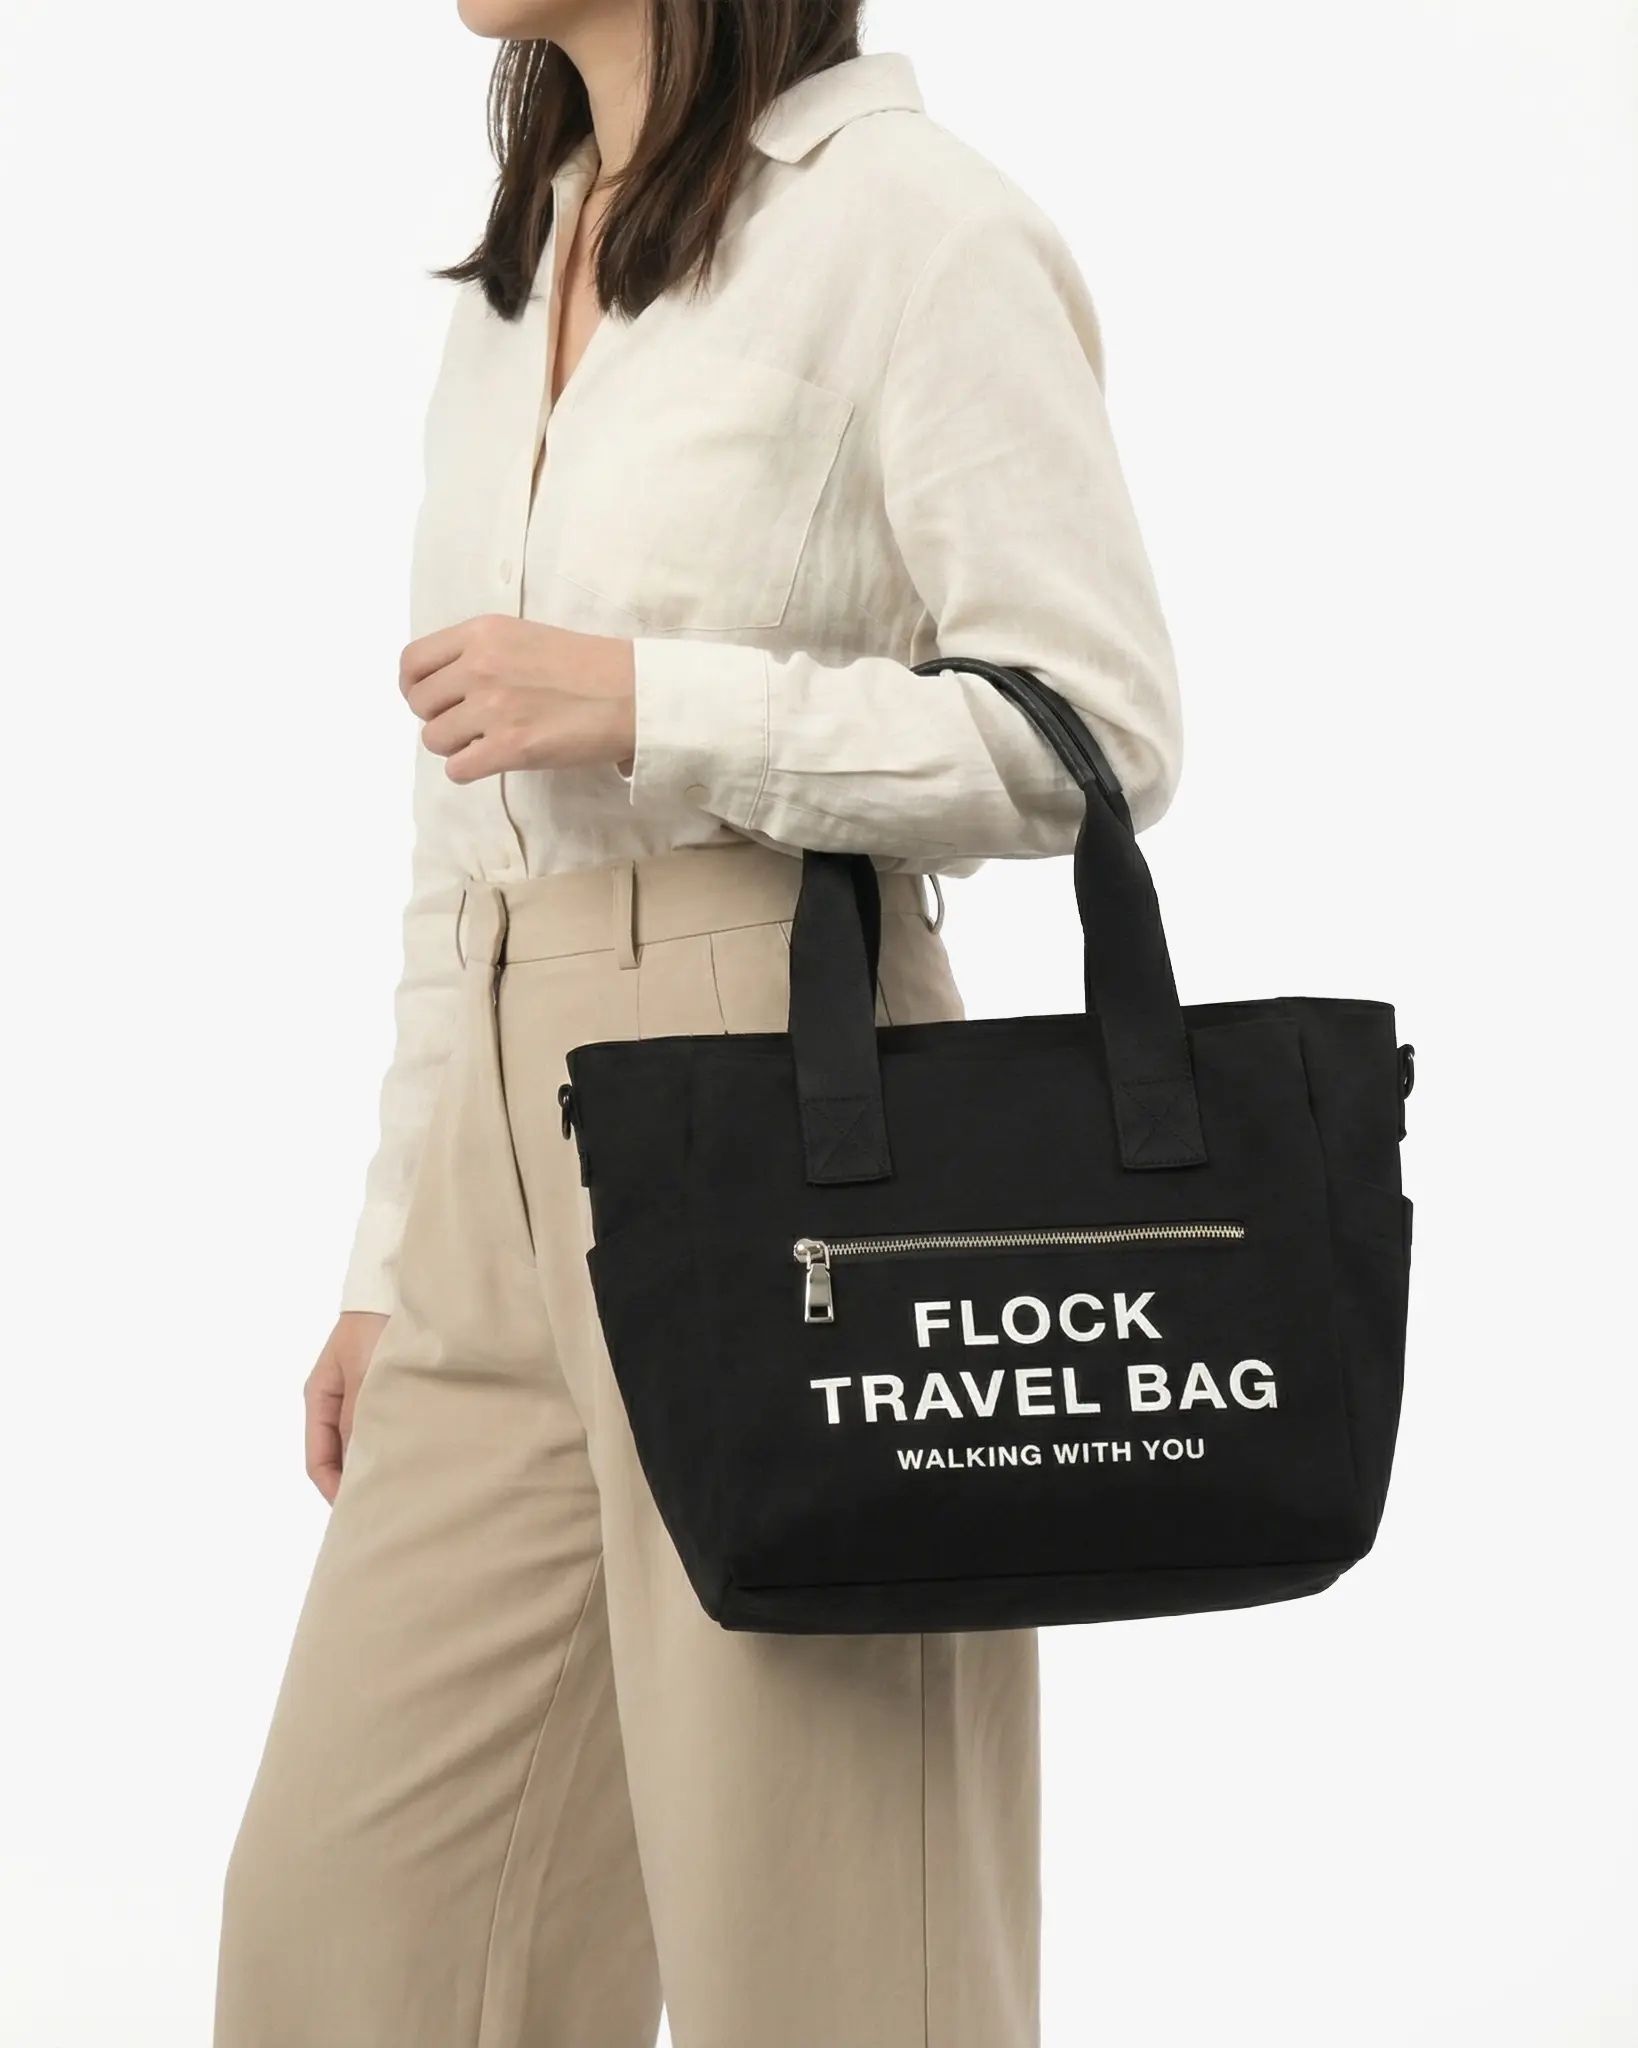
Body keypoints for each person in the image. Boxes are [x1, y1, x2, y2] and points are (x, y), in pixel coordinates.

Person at [212, 3, 1183, 2043]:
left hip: (790, 1096)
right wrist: (396, 1251)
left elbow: (1090, 731)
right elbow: (463, 820)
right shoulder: (522, 267)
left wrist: (661, 703)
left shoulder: (912, 227)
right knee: (348, 1945)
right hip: (499, 1134)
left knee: (829, 1955)